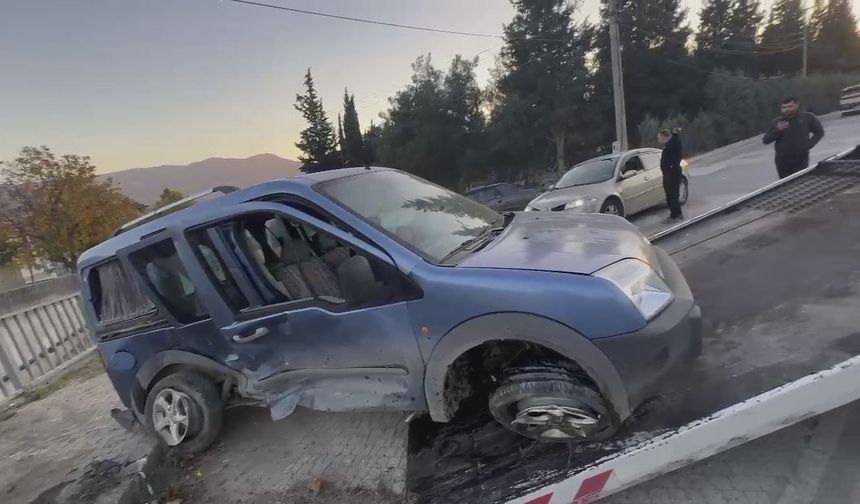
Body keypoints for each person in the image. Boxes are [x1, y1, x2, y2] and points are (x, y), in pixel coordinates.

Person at [763, 96, 824, 179]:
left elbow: (819, 132)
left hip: (801, 158)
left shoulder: (807, 117)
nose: (787, 109)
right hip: (782, 161)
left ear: (797, 105)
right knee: (785, 185)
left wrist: (808, 145)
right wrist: (777, 130)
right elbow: (766, 140)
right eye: (784, 107)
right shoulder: (777, 122)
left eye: (790, 106)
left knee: (800, 182)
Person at [658, 127, 684, 220]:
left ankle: (678, 214)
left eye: (659, 137)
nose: (659, 140)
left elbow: (677, 152)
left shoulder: (672, 143)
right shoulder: (668, 144)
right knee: (669, 195)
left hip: (673, 172)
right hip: (667, 174)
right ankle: (673, 213)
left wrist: (675, 134)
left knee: (673, 195)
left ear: (664, 136)